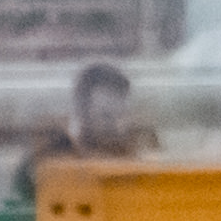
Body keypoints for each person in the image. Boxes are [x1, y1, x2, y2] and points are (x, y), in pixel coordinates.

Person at [15, 63, 157, 200]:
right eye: (106, 116)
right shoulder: (52, 149)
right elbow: (27, 192)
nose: (116, 126)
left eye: (121, 114)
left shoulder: (128, 151)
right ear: (82, 109)